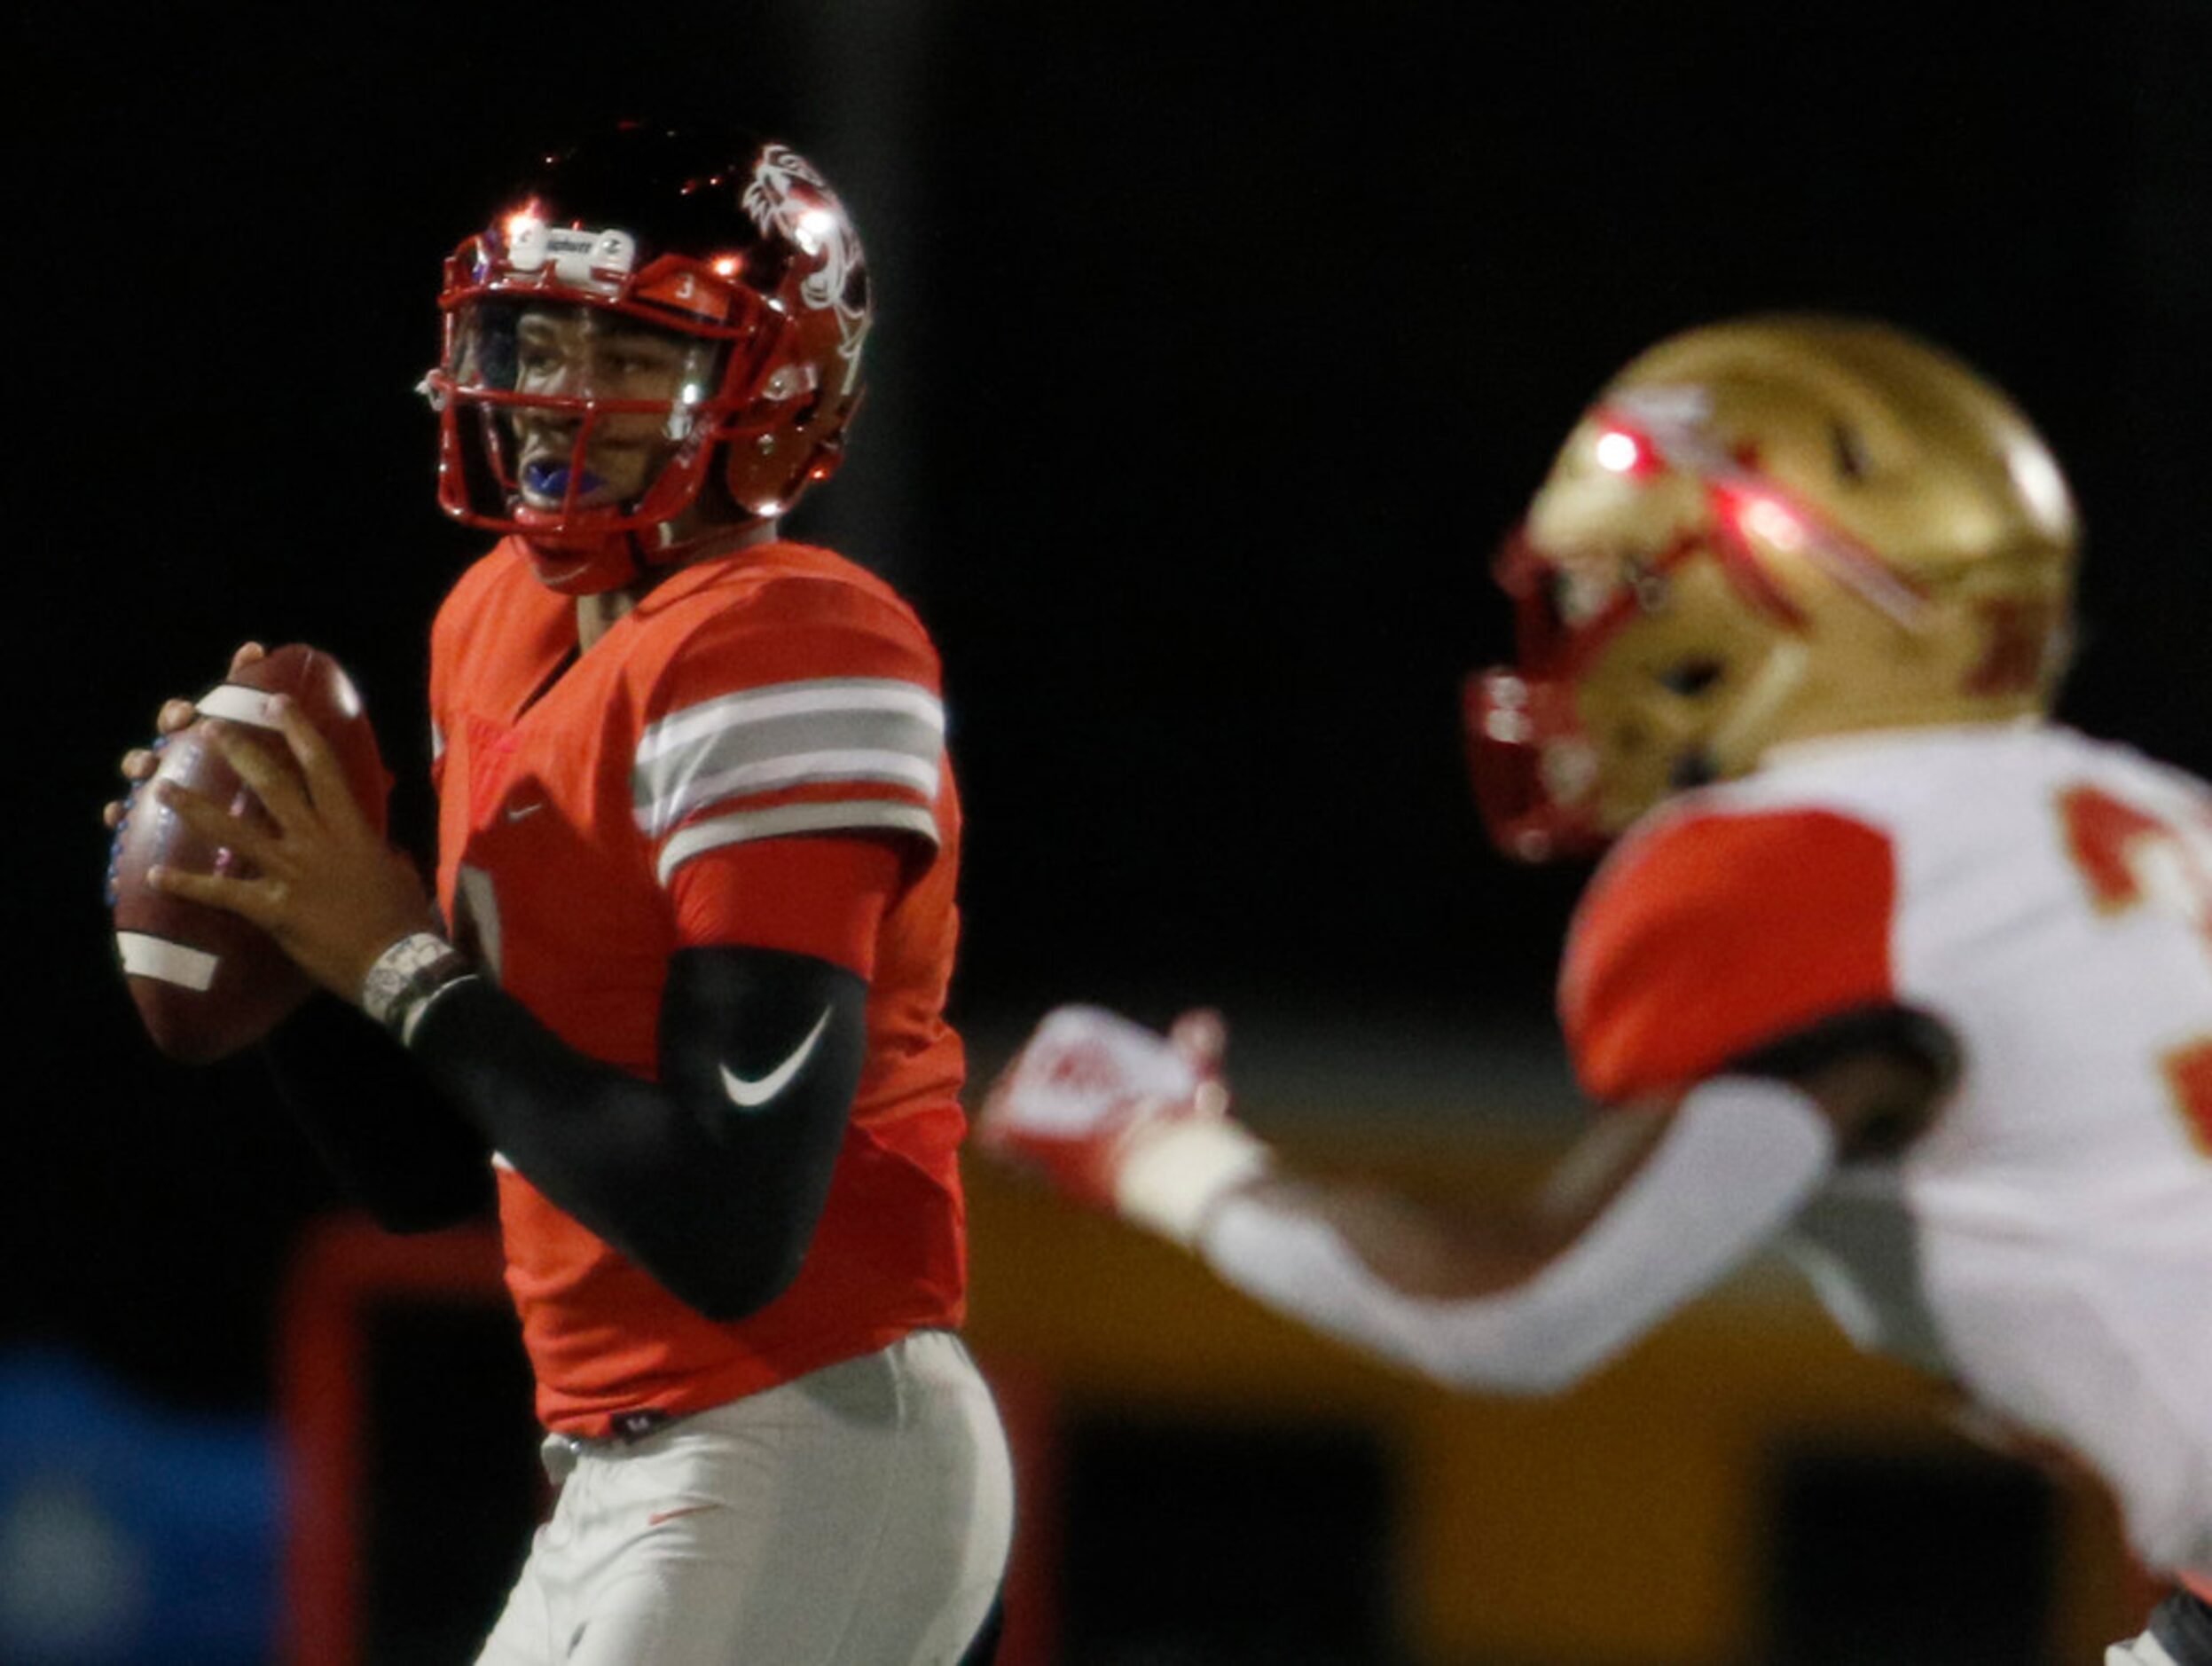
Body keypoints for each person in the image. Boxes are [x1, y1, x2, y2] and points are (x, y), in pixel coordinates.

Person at [976, 316, 2212, 1666]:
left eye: (1616, 593)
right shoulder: (2155, 820)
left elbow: (1512, 1311)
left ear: (1765, 601)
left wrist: (1148, 1146)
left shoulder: (1832, 863)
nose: (1574, 648)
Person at [107, 122, 1010, 1664]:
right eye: (541, 338)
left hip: (806, 1428)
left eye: (631, 356)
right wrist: (284, 927)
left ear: (772, 390)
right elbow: (432, 1173)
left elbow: (731, 1225)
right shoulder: (495, 625)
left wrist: (389, 952)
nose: (561, 398)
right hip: (621, 1464)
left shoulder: (789, 638)